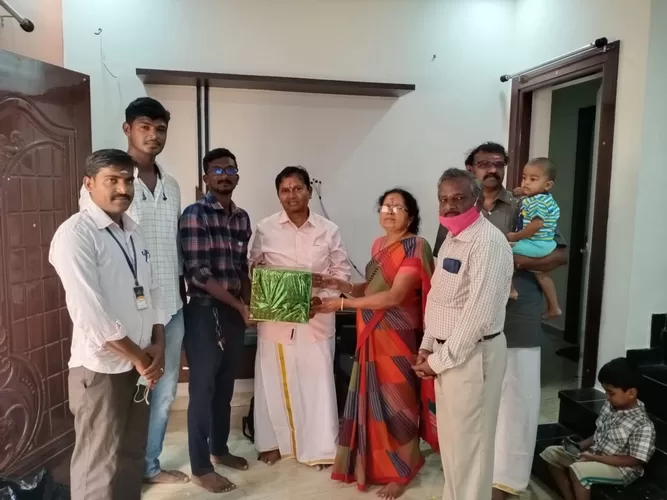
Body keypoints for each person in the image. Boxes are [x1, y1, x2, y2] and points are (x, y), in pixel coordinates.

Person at [433, 142, 569, 500]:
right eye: (483, 164)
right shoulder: (458, 207)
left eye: (498, 163)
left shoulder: (526, 202)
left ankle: (507, 482)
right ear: (471, 169)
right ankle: (472, 479)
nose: (491, 169)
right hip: (466, 326)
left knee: (516, 402)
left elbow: (558, 255)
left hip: (517, 316)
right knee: (470, 410)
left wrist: (507, 261)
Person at [81, 97, 188, 484]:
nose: (153, 135)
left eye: (160, 129)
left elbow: (174, 247)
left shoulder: (172, 185)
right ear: (127, 129)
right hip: (124, 313)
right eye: (145, 126)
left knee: (163, 392)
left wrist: (179, 299)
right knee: (121, 394)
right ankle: (117, 476)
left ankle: (148, 467)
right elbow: (96, 245)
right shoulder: (109, 184)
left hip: (170, 308)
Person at [50, 149, 167, 500]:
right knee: (98, 464)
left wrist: (158, 344)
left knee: (130, 455)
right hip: (102, 368)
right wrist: (140, 357)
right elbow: (91, 313)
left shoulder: (133, 231)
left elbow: (153, 289)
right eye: (112, 180)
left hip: (140, 364)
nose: (123, 189)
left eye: (128, 180)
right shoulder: (76, 234)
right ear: (89, 184)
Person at [315, 188, 438, 500]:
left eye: (398, 207)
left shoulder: (416, 245)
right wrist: (342, 285)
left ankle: (402, 471)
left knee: (399, 404)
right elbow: (369, 290)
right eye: (385, 206)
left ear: (411, 216)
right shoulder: (378, 245)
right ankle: (373, 465)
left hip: (399, 337)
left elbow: (395, 296)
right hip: (370, 335)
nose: (390, 211)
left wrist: (342, 304)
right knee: (373, 402)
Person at [413, 168, 513, 500]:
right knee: (455, 445)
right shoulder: (453, 239)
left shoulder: (488, 243)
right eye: (444, 199)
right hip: (448, 355)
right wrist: (428, 344)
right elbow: (440, 298)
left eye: (458, 198)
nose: (450, 206)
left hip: (472, 356)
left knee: (471, 448)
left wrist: (438, 361)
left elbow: (477, 316)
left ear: (477, 199)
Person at [248, 166, 351, 470]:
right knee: (272, 382)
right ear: (278, 195)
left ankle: (319, 448)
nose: (291, 195)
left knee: (317, 384)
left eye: (297, 188)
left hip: (316, 317)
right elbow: (253, 269)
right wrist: (266, 286)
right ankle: (272, 444)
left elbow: (341, 271)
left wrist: (322, 298)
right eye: (285, 190)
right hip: (277, 320)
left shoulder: (328, 230)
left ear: (309, 191)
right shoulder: (265, 228)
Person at [179, 147, 251, 493]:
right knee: (203, 389)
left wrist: (249, 306)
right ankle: (200, 467)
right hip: (204, 310)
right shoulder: (195, 214)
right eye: (217, 171)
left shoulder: (242, 218)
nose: (224, 175)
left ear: (237, 175)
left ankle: (219, 449)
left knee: (225, 385)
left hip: (234, 312)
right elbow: (198, 273)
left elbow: (243, 268)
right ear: (206, 177)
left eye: (230, 170)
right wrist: (238, 305)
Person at [540, 358, 655, 500]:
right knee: (551, 454)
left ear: (631, 393)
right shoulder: (609, 406)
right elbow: (599, 434)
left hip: (621, 469)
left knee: (578, 470)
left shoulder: (643, 425)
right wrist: (577, 447)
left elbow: (633, 461)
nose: (607, 397)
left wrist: (595, 458)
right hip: (595, 454)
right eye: (605, 391)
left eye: (611, 393)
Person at [507, 157, 561, 319]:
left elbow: (536, 224)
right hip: (546, 243)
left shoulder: (538, 202)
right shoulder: (544, 198)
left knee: (505, 251)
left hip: (535, 243)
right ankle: (554, 308)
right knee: (542, 275)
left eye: (533, 179)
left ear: (548, 185)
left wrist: (516, 236)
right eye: (524, 178)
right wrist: (523, 191)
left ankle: (511, 289)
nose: (526, 183)